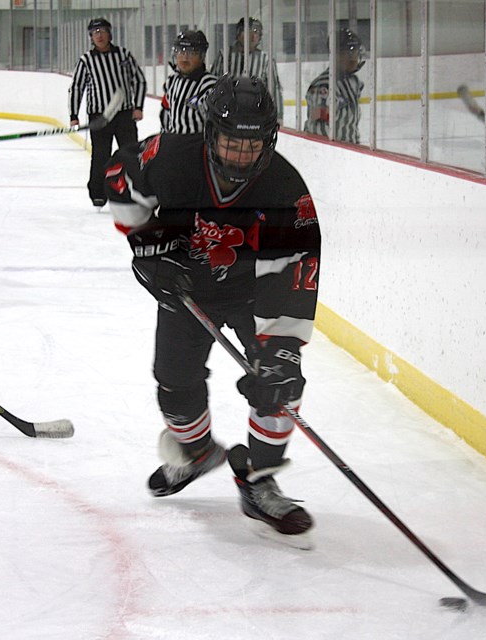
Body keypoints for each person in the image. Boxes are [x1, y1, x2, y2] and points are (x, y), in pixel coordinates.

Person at [104, 75, 322, 546]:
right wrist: (151, 251)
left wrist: (279, 351)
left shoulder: (286, 189)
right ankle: (197, 452)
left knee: (281, 384)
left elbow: (296, 274)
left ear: (271, 139)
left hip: (254, 294)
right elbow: (119, 180)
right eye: (230, 141)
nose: (241, 154)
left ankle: (260, 480)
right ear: (209, 133)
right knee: (173, 381)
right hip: (187, 286)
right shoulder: (170, 156)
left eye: (253, 144)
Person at [69, 17, 147, 209]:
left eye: (102, 31)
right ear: (91, 37)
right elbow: (77, 88)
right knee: (100, 156)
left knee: (131, 154)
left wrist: (138, 106)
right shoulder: (86, 60)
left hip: (124, 114)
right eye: (95, 33)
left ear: (109, 33)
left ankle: (135, 191)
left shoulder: (123, 55)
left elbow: (139, 81)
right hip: (99, 117)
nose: (99, 35)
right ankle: (98, 193)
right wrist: (73, 115)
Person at [211, 18, 283, 123]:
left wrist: (278, 115)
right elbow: (213, 83)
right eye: (248, 31)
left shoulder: (266, 59)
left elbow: (274, 89)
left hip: (255, 115)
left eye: (257, 32)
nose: (253, 36)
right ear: (239, 34)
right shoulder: (224, 55)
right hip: (227, 114)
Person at [304, 29, 366, 144]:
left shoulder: (353, 83)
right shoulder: (324, 87)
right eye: (351, 51)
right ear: (337, 54)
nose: (355, 57)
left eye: (356, 51)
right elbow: (319, 131)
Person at [159, 30, 217, 134]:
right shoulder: (171, 82)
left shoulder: (210, 85)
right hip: (173, 142)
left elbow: (216, 125)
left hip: (198, 145)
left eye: (192, 52)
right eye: (181, 51)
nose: (185, 58)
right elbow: (165, 114)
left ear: (202, 56)